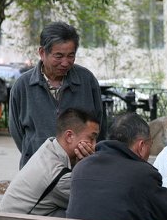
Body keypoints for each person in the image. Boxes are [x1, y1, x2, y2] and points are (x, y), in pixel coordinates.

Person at [9, 21, 105, 168]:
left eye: (70, 56)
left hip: (81, 168)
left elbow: (100, 124)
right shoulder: (22, 86)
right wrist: (33, 150)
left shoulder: (87, 80)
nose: (65, 62)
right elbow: (17, 132)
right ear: (42, 53)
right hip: (36, 170)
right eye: (58, 56)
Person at [0, 108, 99, 220]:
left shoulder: (49, 148)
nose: (95, 146)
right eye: (91, 138)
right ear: (69, 136)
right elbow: (93, 201)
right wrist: (89, 166)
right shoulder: (57, 175)